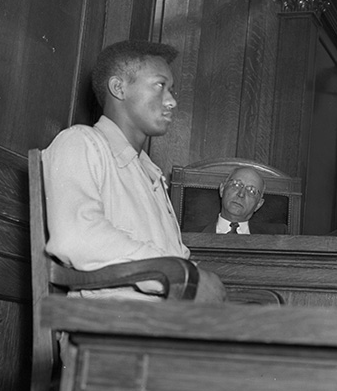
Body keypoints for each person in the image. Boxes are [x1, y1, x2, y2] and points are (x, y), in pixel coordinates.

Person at [42, 39, 226, 302]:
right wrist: (188, 277)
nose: (172, 101)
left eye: (172, 90)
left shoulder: (148, 171)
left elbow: (174, 257)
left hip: (164, 322)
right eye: (160, 86)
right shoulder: (79, 142)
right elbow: (76, 238)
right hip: (113, 327)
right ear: (119, 88)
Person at [188, 166, 286, 234]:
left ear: (258, 205)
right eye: (236, 185)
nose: (241, 194)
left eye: (251, 191)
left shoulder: (278, 238)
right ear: (222, 189)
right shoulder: (186, 238)